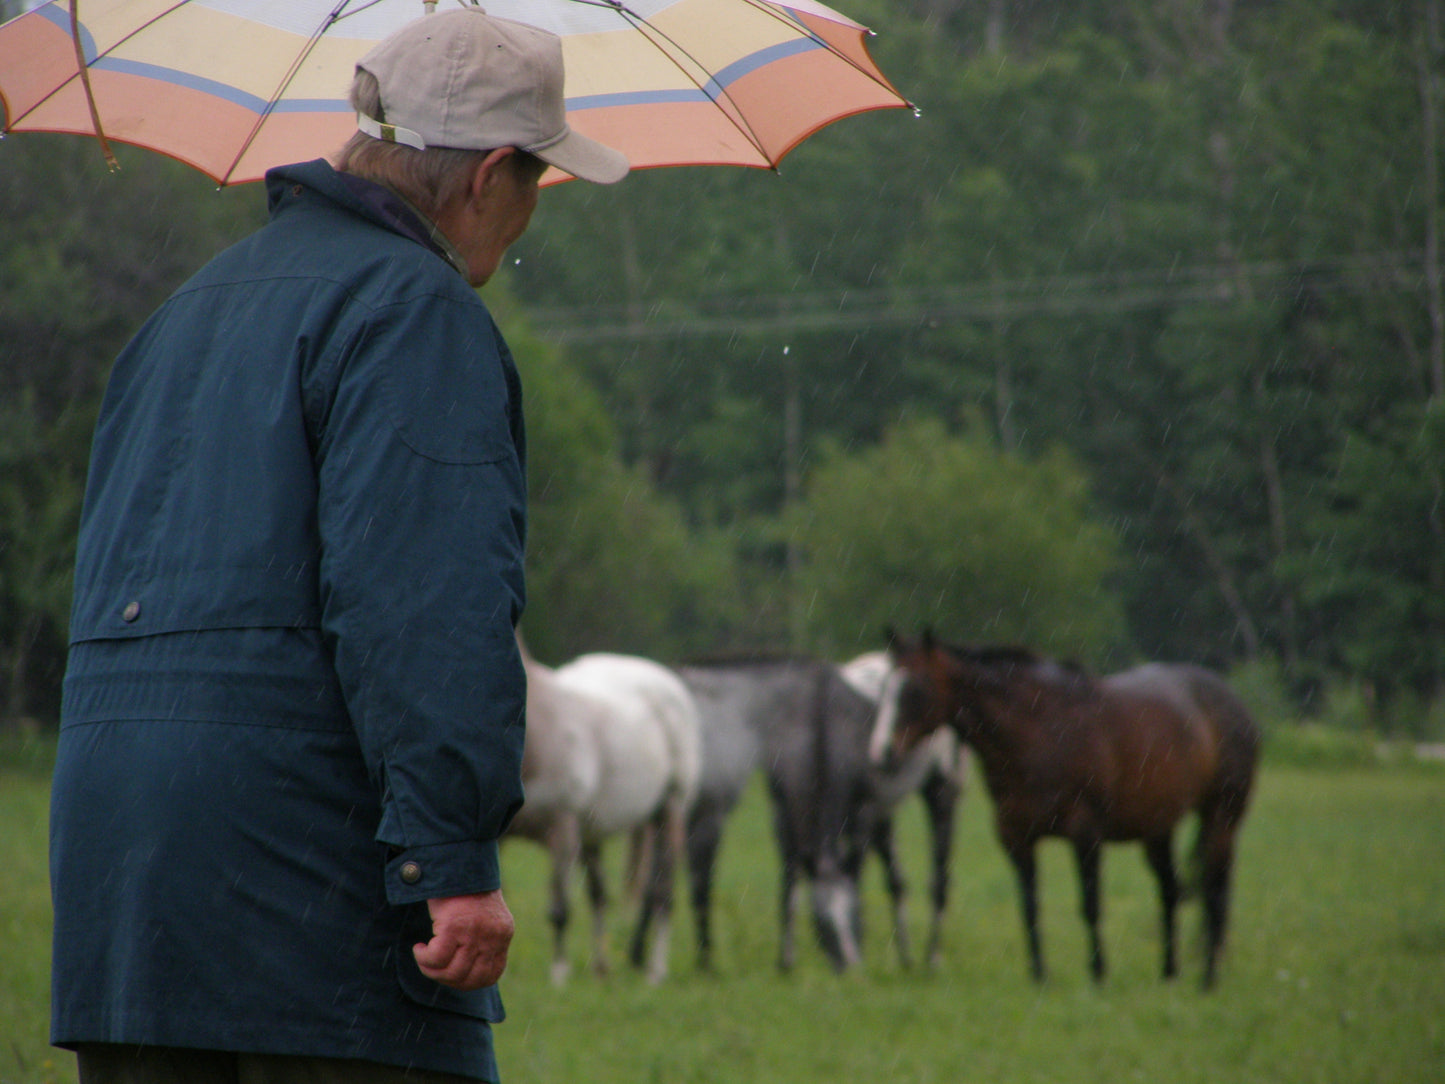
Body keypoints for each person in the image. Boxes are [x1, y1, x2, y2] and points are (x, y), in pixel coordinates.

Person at [49, 9, 628, 1083]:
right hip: (312, 899)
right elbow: (423, 604)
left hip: (120, 895)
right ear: (488, 172)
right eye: (536, 181)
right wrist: (449, 859)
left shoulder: (182, 313)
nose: (532, 210)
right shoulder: (417, 312)